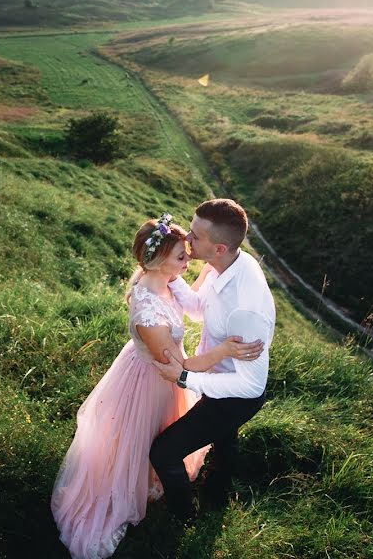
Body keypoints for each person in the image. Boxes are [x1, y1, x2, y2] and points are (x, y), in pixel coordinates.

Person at [51, 213, 263, 559]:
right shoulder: (147, 308)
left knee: (159, 434)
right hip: (149, 381)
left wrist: (210, 274)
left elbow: (189, 304)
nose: (189, 259)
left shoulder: (163, 282)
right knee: (139, 438)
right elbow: (176, 368)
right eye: (182, 256)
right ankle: (131, 491)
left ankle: (153, 479)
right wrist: (224, 351)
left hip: (165, 379)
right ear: (158, 260)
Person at [150, 199, 276, 522]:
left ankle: (184, 519)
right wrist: (167, 269)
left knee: (163, 452)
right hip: (217, 371)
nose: (187, 240)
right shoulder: (223, 265)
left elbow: (251, 385)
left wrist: (184, 378)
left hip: (236, 395)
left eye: (194, 236)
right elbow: (195, 309)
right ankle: (217, 493)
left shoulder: (244, 308)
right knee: (224, 439)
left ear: (219, 247)